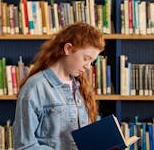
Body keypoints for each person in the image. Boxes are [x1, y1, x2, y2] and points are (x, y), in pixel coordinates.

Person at [13, 22, 105, 150]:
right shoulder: (35, 88)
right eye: (86, 58)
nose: (88, 66)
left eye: (92, 61)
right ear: (68, 49)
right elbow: (25, 146)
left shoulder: (79, 87)